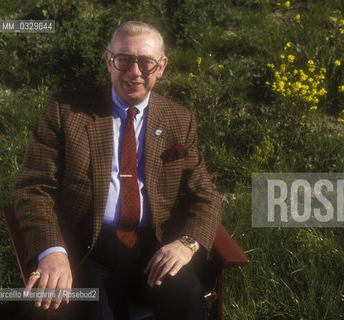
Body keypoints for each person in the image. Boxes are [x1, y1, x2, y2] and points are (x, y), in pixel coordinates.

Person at [12, 21, 222, 319]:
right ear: (108, 60)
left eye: (146, 63)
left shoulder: (179, 119)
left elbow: (205, 196)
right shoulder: (65, 111)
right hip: (86, 248)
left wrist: (186, 244)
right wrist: (52, 250)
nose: (134, 72)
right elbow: (33, 188)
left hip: (154, 245)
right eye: (124, 59)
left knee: (188, 300)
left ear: (161, 67)